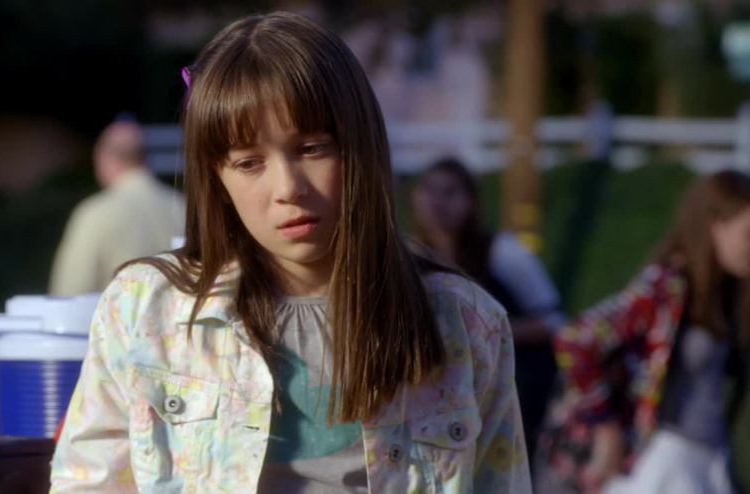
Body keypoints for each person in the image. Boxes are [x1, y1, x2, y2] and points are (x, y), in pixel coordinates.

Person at [49, 12, 531, 493]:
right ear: (217, 178)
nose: (288, 188)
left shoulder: (465, 322)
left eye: (313, 148)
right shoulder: (143, 310)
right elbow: (88, 483)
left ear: (361, 146)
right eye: (248, 162)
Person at [537, 170, 750, 494]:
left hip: (710, 459)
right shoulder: (668, 286)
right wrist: (605, 428)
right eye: (748, 234)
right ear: (715, 225)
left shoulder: (728, 293)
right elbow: (576, 340)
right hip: (666, 458)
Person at [411, 157, 566, 459]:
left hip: (509, 388)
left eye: (450, 192)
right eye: (429, 190)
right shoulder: (410, 257)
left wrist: (483, 331)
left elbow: (554, 321)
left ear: (471, 202)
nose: (437, 202)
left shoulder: (503, 253)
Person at [48, 118, 184, 295]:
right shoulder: (182, 206)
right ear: (144, 158)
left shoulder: (95, 213)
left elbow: (71, 290)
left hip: (118, 312)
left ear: (104, 159)